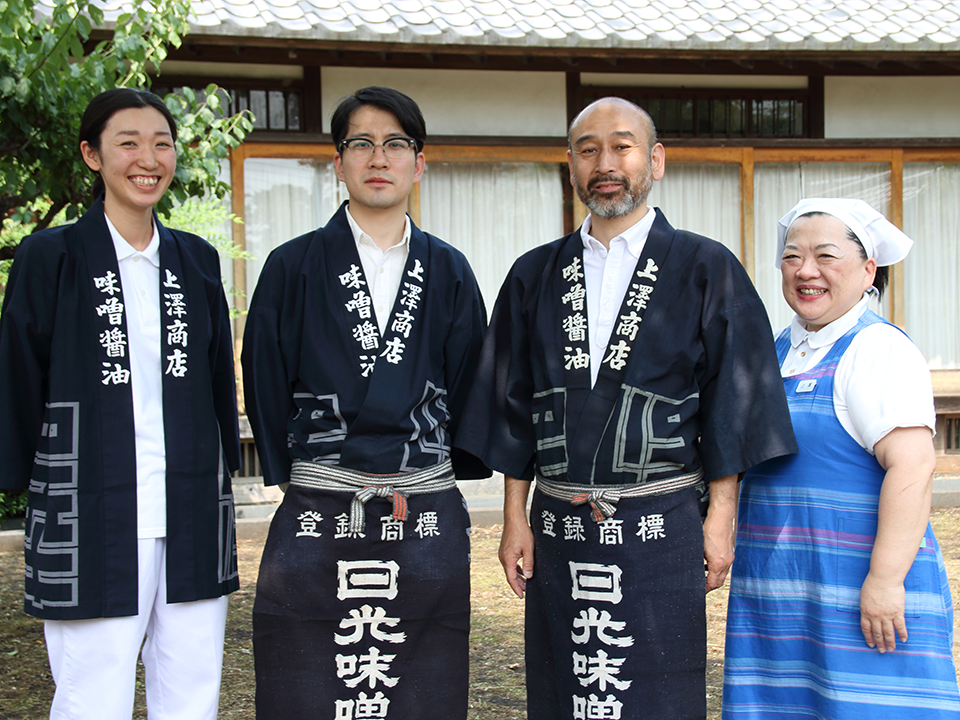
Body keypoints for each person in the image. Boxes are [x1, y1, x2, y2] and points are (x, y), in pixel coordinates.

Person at [456, 96, 797, 719]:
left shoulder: (706, 266)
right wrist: (514, 517)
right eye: (588, 150)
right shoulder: (533, 275)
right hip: (559, 522)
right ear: (571, 166)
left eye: (622, 146)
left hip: (660, 521)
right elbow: (513, 407)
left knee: (656, 683)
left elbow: (734, 399)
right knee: (567, 679)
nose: (605, 163)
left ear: (655, 160)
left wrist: (720, 518)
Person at [242, 86, 488, 719]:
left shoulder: (451, 270)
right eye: (361, 143)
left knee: (421, 670)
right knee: (308, 669)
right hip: (321, 498)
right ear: (338, 162)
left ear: (419, 161)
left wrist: (443, 469)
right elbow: (263, 368)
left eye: (396, 144)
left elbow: (469, 380)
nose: (379, 157)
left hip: (420, 503)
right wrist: (283, 465)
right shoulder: (291, 265)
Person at [0, 88, 241, 720]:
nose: (148, 158)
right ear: (91, 155)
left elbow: (218, 382)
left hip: (188, 504)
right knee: (91, 694)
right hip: (90, 508)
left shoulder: (195, 259)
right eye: (127, 142)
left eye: (162, 143)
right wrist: (20, 483)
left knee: (192, 688)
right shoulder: (49, 257)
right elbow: (18, 378)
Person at [722, 198, 960, 718]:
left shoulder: (878, 349)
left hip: (859, 587)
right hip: (782, 585)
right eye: (791, 257)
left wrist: (885, 579)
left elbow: (914, 466)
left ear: (868, 268)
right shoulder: (777, 347)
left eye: (825, 256)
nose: (806, 271)